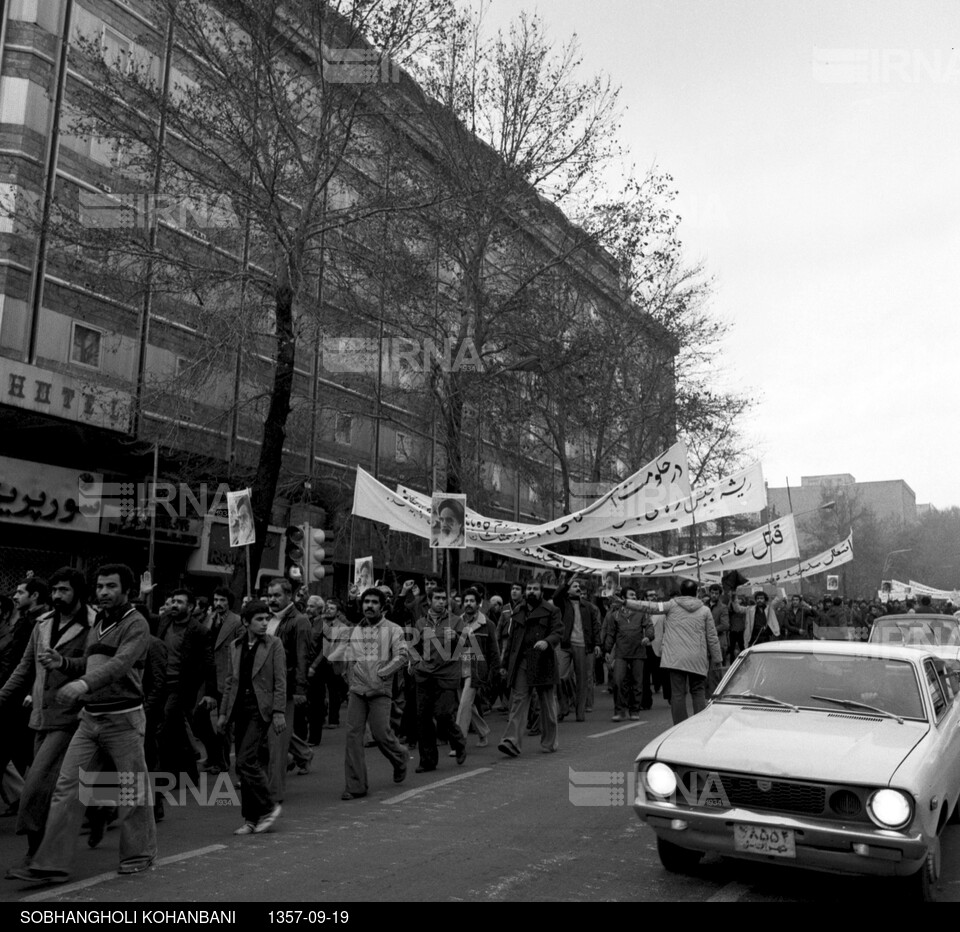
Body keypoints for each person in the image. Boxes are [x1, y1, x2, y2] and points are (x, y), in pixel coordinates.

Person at [7, 564, 156, 884]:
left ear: (127, 590)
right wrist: (63, 664)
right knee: (65, 788)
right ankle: (49, 863)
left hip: (123, 719)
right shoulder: (98, 621)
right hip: (89, 719)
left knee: (132, 791)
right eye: (100, 586)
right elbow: (89, 662)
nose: (103, 592)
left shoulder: (136, 624)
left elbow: (118, 665)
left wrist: (83, 684)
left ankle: (139, 854)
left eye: (111, 587)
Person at [0, 568, 92, 872]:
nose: (57, 596)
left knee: (35, 785)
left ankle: (38, 856)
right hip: (40, 716)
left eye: (64, 590)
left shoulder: (94, 625)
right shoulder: (42, 624)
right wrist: (2, 696)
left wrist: (65, 664)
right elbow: (25, 669)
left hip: (73, 718)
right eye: (54, 590)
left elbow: (97, 669)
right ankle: (101, 810)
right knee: (52, 788)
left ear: (78, 592)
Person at [218, 600, 285, 835]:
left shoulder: (274, 644)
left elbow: (280, 681)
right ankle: (250, 819)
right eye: (259, 619)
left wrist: (278, 712)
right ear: (246, 622)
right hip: (240, 709)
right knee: (243, 767)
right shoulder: (235, 646)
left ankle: (269, 806)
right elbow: (230, 682)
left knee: (245, 760)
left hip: (261, 709)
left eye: (267, 619)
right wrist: (223, 713)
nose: (265, 623)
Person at [615, 580, 722, 725]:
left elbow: (648, 606)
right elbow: (712, 637)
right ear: (696, 593)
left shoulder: (670, 605)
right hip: (697, 659)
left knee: (677, 694)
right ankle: (700, 726)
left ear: (681, 592)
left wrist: (626, 602)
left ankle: (679, 727)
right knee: (698, 692)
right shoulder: (705, 610)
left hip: (675, 659)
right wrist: (717, 659)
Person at [341, 588, 409, 799]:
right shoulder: (357, 629)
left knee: (381, 734)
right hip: (357, 691)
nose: (369, 606)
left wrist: (382, 673)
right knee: (353, 736)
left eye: (374, 602)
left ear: (382, 606)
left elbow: (403, 655)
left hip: (380, 690)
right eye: (366, 602)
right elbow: (351, 658)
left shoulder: (394, 629)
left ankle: (400, 758)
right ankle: (356, 786)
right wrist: (350, 680)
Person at [155, 589, 218, 787]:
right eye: (173, 601)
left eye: (179, 602)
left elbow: (209, 663)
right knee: (175, 729)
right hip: (161, 684)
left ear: (190, 607)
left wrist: (210, 693)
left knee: (165, 725)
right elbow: (140, 616)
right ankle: (189, 772)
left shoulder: (199, 631)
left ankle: (167, 775)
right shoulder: (164, 621)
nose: (174, 605)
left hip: (182, 687)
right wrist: (144, 595)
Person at [497, 581, 563, 757]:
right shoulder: (518, 611)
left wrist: (547, 641)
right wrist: (504, 665)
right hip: (522, 662)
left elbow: (558, 632)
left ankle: (549, 742)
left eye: (535, 589)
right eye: (529, 589)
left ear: (541, 592)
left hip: (543, 661)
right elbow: (511, 641)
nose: (531, 592)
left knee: (547, 704)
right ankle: (511, 741)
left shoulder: (551, 610)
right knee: (518, 701)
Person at [264, 579, 313, 796]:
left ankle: (274, 792)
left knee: (278, 741)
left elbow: (303, 657)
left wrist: (300, 689)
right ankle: (301, 755)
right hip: (264, 686)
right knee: (267, 737)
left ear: (289, 596)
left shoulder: (299, 621)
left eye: (277, 595)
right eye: (269, 595)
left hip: (286, 685)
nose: (272, 599)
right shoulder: (266, 618)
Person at [412, 589, 466, 772]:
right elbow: (413, 646)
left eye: (444, 599)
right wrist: (414, 663)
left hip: (447, 674)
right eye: (437, 598)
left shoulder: (456, 621)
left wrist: (456, 638)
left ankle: (458, 742)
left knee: (443, 715)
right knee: (423, 718)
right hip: (425, 675)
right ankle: (427, 760)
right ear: (429, 600)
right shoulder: (420, 623)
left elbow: (467, 646)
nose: (441, 602)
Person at [453, 589, 499, 750]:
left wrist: (494, 671)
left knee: (465, 703)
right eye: (466, 601)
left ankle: (458, 742)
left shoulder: (487, 624)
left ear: (478, 604)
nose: (468, 604)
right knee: (467, 705)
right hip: (458, 668)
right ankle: (483, 731)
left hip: (476, 669)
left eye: (472, 601)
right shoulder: (456, 622)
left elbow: (494, 650)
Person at [553, 573, 601, 723]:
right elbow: (556, 595)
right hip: (565, 644)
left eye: (579, 586)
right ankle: (564, 706)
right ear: (568, 590)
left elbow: (595, 627)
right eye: (575, 586)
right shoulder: (562, 603)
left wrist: (598, 644)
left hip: (583, 646)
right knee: (560, 677)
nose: (578, 588)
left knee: (582, 680)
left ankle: (580, 713)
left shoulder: (589, 607)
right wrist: (567, 582)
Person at [603, 585, 654, 721]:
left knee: (637, 683)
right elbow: (610, 634)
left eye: (635, 596)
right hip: (621, 653)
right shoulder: (616, 614)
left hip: (638, 652)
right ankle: (619, 711)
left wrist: (648, 637)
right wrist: (607, 651)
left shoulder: (642, 612)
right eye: (632, 595)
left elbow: (649, 626)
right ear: (624, 598)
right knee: (618, 682)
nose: (635, 598)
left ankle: (634, 710)